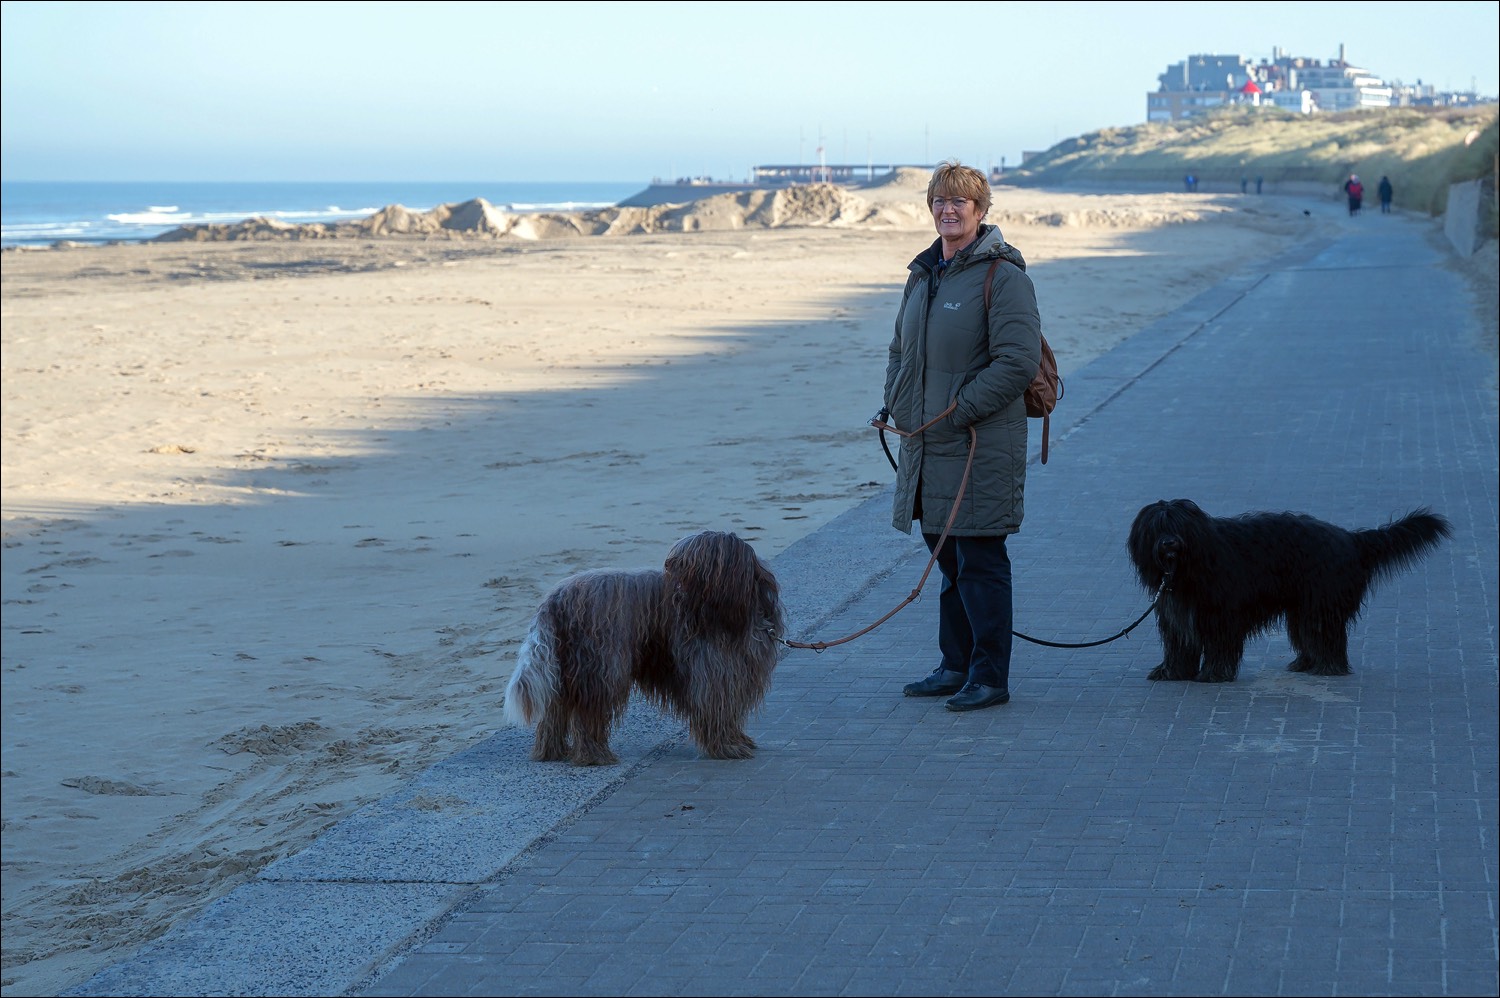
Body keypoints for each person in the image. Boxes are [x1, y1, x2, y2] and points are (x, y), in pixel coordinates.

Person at [882, 161, 1042, 712]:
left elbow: (1018, 362)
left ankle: (989, 675)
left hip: (979, 443)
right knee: (947, 556)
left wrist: (959, 410)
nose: (949, 210)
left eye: (960, 202)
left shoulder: (1004, 277)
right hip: (925, 443)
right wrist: (897, 407)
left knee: (979, 558)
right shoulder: (924, 274)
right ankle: (955, 665)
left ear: (980, 210)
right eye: (940, 201)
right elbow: (901, 350)